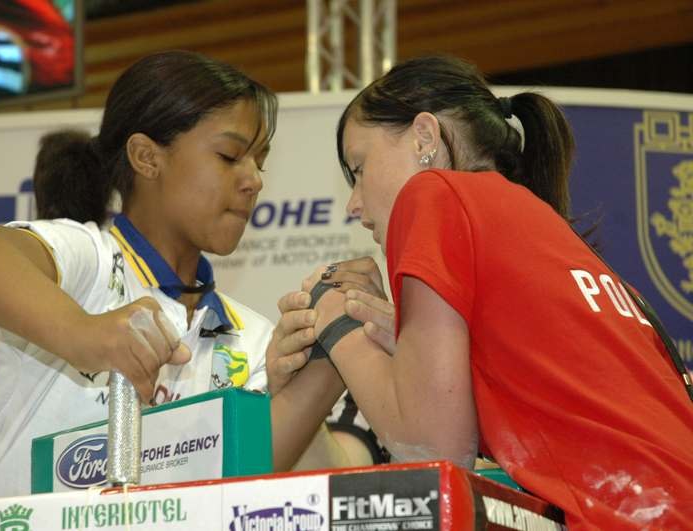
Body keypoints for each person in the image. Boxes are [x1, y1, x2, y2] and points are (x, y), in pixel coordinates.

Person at [275, 55, 693, 530]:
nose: (354, 204)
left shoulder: (432, 194)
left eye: (360, 168)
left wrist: (333, 314)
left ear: (425, 138)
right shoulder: (547, 230)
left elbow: (434, 448)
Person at [0, 50, 353, 502]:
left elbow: (256, 481)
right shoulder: (91, 258)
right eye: (229, 156)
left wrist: (324, 367)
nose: (254, 180)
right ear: (147, 157)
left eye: (258, 162)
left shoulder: (254, 339)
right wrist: (84, 334)